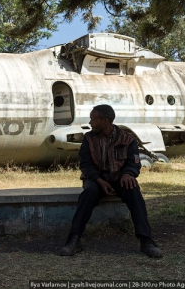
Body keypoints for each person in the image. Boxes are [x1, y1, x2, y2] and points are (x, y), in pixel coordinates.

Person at [60, 104, 163, 258]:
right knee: (88, 193)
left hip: (119, 179)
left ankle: (146, 240)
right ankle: (74, 240)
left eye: (93, 120)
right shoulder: (89, 139)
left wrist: (128, 174)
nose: (90, 123)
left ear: (105, 121)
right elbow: (85, 164)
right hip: (96, 180)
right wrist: (100, 181)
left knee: (134, 192)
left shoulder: (128, 140)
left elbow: (134, 162)